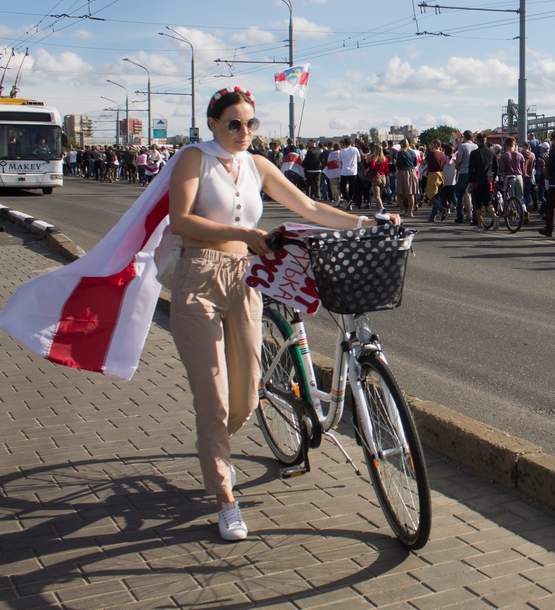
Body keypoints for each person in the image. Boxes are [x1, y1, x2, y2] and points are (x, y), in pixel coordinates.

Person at [168, 88, 398, 541]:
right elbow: (181, 221)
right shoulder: (194, 158)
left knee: (247, 398)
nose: (244, 132)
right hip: (199, 280)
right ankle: (225, 498)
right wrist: (241, 231)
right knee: (213, 400)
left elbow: (309, 207)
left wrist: (368, 223)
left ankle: (213, 446)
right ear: (213, 123)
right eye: (234, 124)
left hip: (246, 280)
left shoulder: (257, 165)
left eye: (251, 124)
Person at [468, 132, 497, 231]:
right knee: (488, 202)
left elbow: (471, 168)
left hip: (477, 180)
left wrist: (469, 181)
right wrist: (494, 177)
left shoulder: (474, 153)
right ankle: (494, 216)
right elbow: (496, 167)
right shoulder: (492, 152)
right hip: (489, 180)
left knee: (477, 203)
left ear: (478, 141)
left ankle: (480, 224)